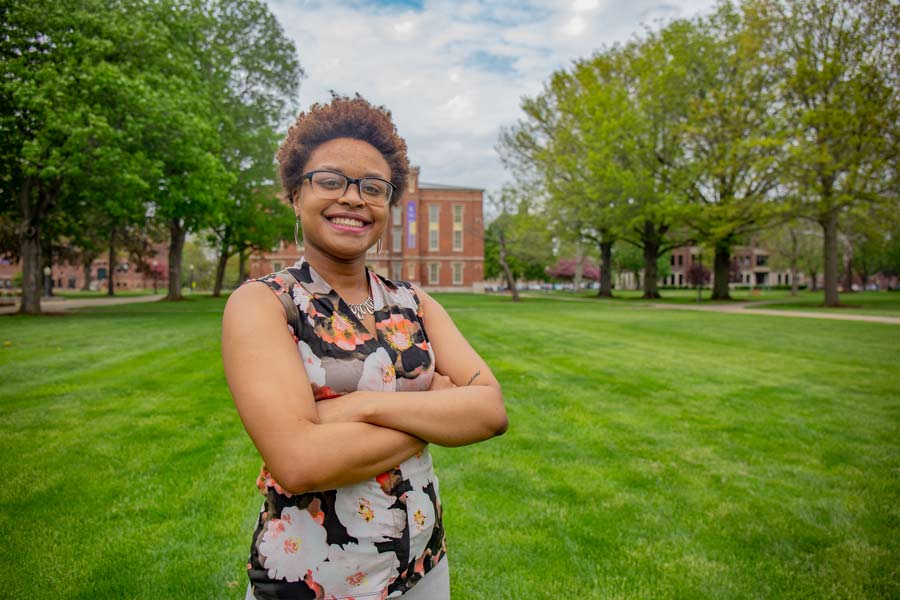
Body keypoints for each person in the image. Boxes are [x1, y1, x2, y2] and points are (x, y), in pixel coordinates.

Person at [222, 95, 508, 600]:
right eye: (331, 181)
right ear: (295, 195)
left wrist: (357, 407)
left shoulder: (414, 302)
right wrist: (433, 409)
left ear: (389, 204)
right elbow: (299, 462)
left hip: (423, 564)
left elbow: (489, 410)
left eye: (373, 188)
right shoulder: (266, 304)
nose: (353, 198)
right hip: (314, 579)